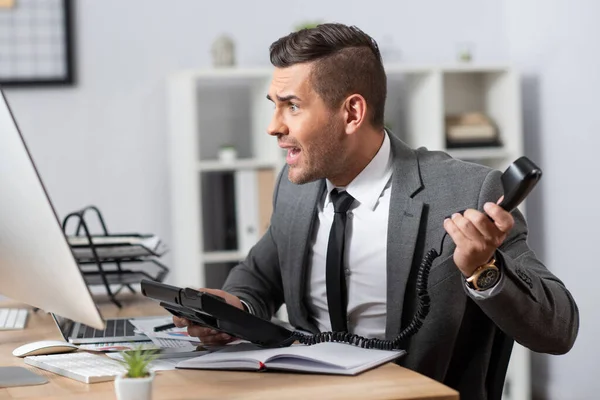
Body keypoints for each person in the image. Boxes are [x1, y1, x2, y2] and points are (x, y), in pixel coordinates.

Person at [174, 23, 579, 398]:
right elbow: (260, 275)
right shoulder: (295, 187)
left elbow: (558, 331)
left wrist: (482, 268)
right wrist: (233, 309)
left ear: (352, 113)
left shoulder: (467, 191)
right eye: (273, 105)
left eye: (291, 106)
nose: (274, 126)